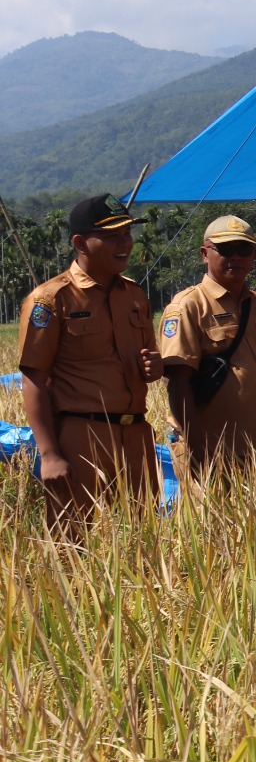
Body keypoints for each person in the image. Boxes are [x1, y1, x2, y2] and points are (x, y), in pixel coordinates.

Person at [18, 193, 163, 526]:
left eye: (127, 233)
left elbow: (149, 360)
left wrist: (154, 367)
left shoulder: (135, 296)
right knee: (73, 540)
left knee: (144, 540)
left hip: (136, 434)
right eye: (112, 236)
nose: (124, 243)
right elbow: (33, 377)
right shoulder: (51, 300)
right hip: (81, 436)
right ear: (80, 243)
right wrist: (49, 455)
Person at [159, 215, 256, 485]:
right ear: (204, 254)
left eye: (244, 249)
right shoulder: (188, 306)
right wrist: (196, 451)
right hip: (213, 451)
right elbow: (177, 382)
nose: (236, 257)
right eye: (225, 249)